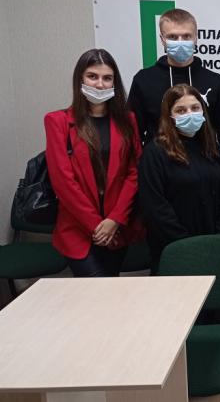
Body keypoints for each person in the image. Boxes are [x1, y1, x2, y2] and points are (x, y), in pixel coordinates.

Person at [44, 49, 141, 277]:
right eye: (92, 76)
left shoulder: (128, 120)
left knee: (111, 288)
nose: (99, 84)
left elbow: (134, 172)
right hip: (78, 228)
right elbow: (63, 181)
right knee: (94, 290)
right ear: (80, 79)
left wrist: (115, 219)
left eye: (107, 78)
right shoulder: (57, 121)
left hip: (117, 227)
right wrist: (97, 226)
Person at [138, 84, 220, 270]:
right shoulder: (155, 153)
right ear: (169, 116)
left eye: (195, 108)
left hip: (214, 247)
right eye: (181, 110)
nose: (190, 114)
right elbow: (155, 208)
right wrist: (187, 247)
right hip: (175, 250)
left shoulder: (211, 148)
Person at [128, 8, 220, 144]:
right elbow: (132, 134)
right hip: (157, 157)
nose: (180, 42)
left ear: (196, 38)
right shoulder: (144, 80)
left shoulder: (215, 81)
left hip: (205, 156)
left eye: (186, 36)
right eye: (172, 37)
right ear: (162, 39)